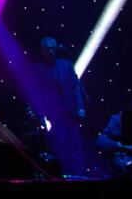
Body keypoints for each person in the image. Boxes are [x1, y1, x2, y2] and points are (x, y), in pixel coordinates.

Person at [33, 37, 89, 177]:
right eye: (48, 49)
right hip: (53, 113)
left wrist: (80, 107)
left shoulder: (66, 65)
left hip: (70, 110)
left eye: (53, 48)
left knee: (76, 143)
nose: (51, 52)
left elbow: (76, 87)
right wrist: (40, 114)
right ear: (42, 51)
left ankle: (78, 173)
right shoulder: (38, 69)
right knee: (59, 143)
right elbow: (37, 93)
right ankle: (63, 173)